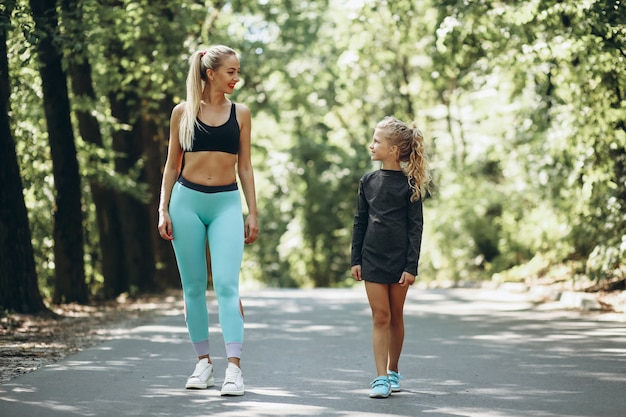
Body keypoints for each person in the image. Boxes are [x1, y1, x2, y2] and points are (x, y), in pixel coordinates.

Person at [157, 45, 258, 396]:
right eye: (231, 71)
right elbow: (171, 165)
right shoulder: (182, 113)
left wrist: (252, 212)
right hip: (186, 203)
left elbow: (244, 166)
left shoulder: (241, 113)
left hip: (227, 204)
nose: (237, 77)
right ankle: (203, 364)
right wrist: (163, 208)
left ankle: (234, 369)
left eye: (237, 70)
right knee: (194, 288)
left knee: (228, 286)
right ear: (210, 73)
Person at [351, 116, 430, 398]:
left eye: (376, 141)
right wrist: (355, 259)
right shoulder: (367, 181)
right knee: (379, 316)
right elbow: (360, 221)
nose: (371, 145)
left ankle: (393, 370)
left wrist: (411, 266)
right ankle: (380, 377)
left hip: (399, 264)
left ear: (394, 150)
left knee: (395, 316)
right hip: (371, 258)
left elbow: (415, 228)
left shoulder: (410, 185)